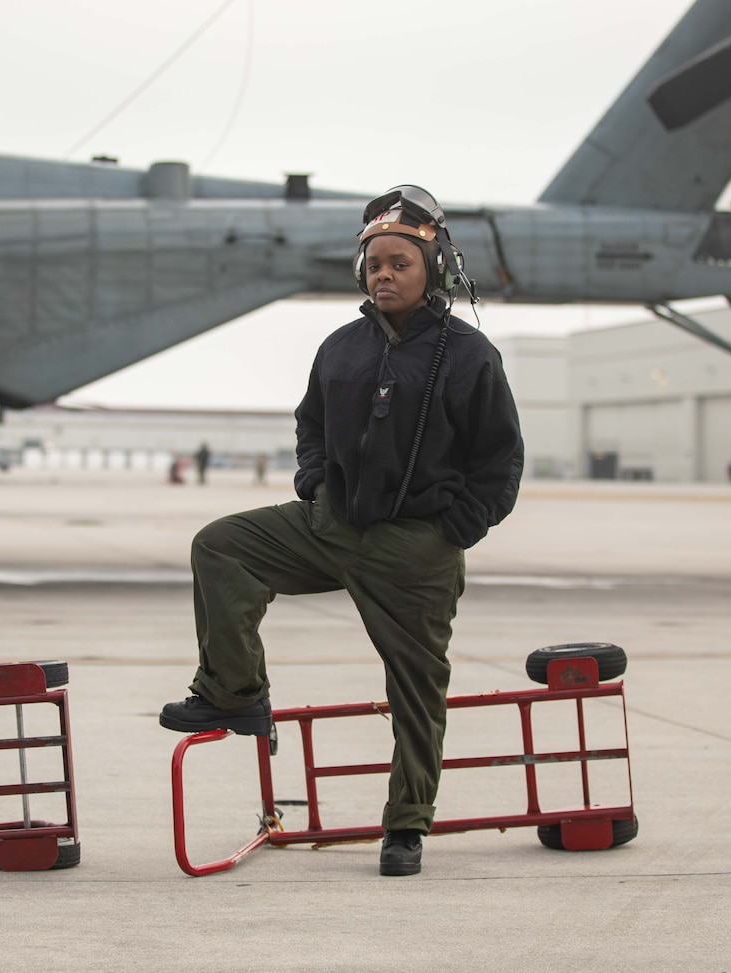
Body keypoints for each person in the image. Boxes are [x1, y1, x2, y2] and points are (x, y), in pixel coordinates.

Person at [159, 185, 523, 877]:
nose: (384, 274)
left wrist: (455, 529)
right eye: (374, 264)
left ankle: (406, 827)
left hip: (415, 548)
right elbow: (312, 425)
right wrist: (314, 481)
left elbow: (500, 457)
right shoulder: (340, 348)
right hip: (330, 525)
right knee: (221, 545)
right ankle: (235, 690)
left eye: (400, 263)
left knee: (416, 690)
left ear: (433, 269)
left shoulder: (469, 356)